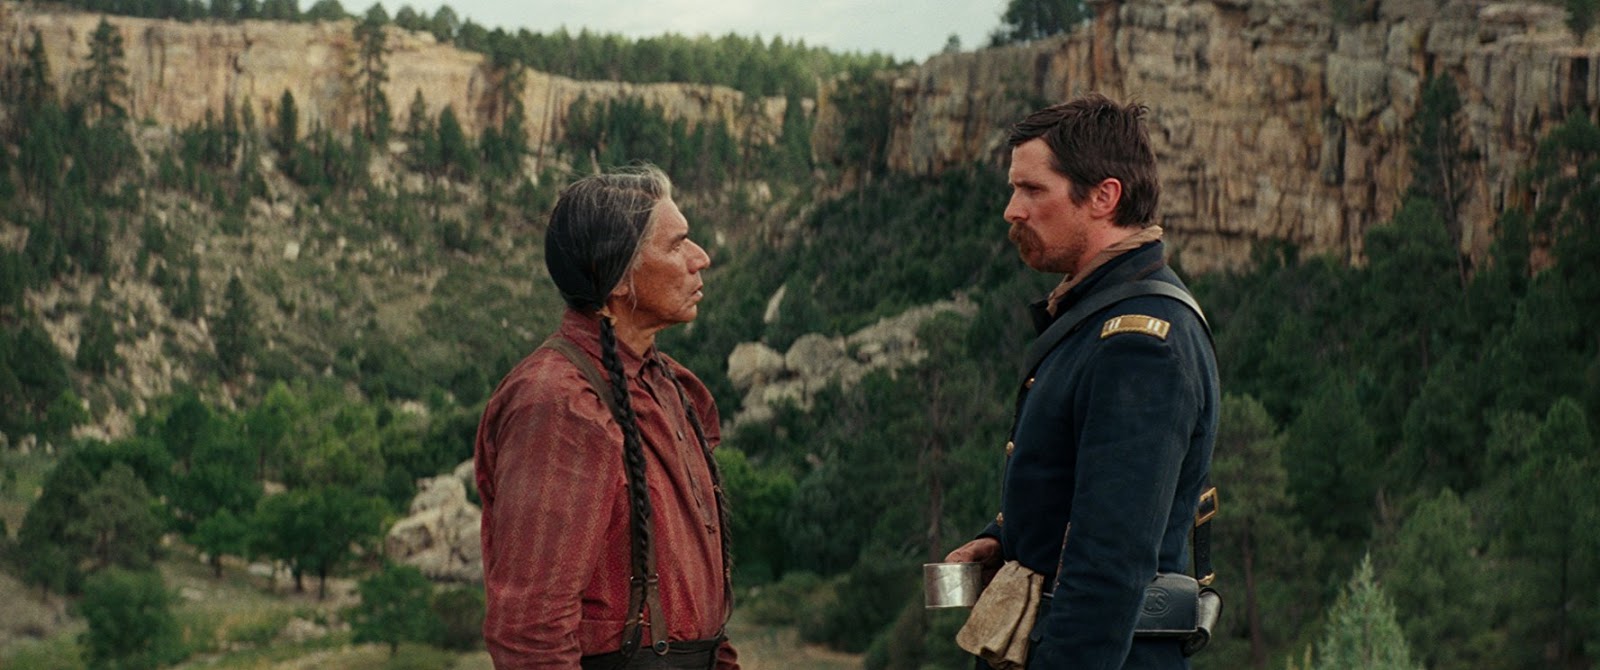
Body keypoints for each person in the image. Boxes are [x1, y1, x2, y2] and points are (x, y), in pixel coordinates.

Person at [944, 94, 1220, 669]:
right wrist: (1008, 540)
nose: (1012, 210)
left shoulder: (1140, 345)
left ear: (1104, 197)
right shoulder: (1098, 315)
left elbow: (1109, 565)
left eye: (1032, 189)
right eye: (1014, 189)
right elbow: (1081, 489)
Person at [474, 164, 738, 669]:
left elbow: (703, 622)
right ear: (618, 278)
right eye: (676, 244)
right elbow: (529, 633)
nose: (700, 257)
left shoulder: (669, 387)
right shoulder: (557, 403)